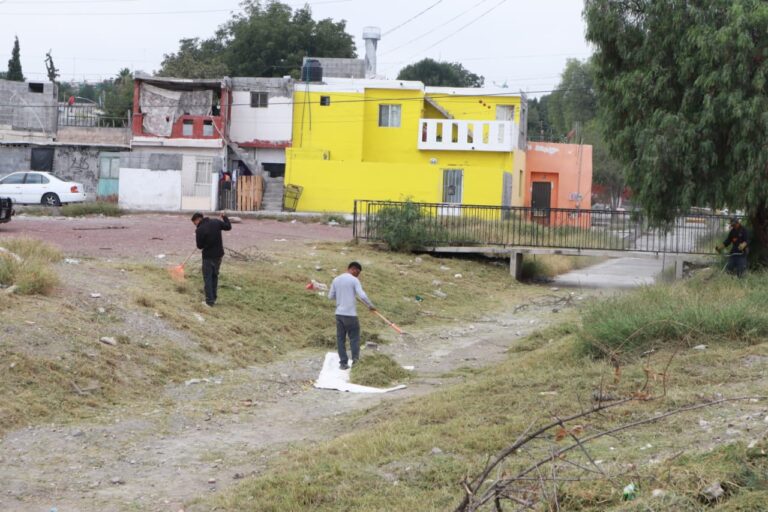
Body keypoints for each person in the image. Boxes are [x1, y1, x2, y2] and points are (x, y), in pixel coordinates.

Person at [328, 262, 375, 370]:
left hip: (339, 314)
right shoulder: (354, 280)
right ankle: (355, 362)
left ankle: (343, 363)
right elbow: (362, 295)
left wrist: (342, 296)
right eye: (357, 272)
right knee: (354, 339)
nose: (357, 275)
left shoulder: (336, 279)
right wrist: (370, 305)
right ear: (353, 269)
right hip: (350, 315)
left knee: (340, 339)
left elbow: (330, 296)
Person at [191, 211, 232, 306]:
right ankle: (214, 298)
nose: (195, 225)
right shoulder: (216, 222)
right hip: (219, 255)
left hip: (208, 257)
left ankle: (209, 301)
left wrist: (201, 237)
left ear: (198, 219)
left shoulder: (200, 230)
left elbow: (199, 246)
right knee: (214, 276)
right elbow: (228, 227)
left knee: (208, 278)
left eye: (194, 223)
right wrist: (224, 217)